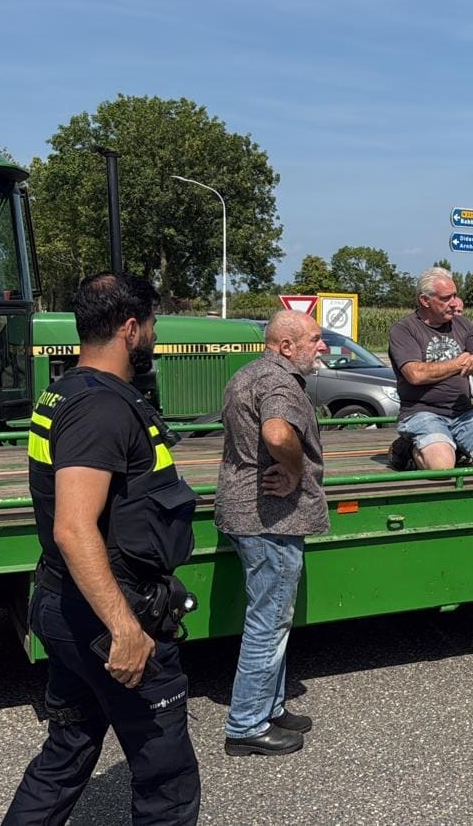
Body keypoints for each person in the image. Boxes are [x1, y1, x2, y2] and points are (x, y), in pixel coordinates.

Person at [5, 273, 201, 826]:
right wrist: (124, 628)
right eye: (153, 324)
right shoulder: (101, 408)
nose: (155, 336)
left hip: (67, 604)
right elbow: (73, 527)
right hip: (105, 613)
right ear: (130, 329)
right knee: (167, 778)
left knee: (67, 751)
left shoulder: (67, 390)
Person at [214, 310, 329, 757]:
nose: (321, 347)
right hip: (270, 519)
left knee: (272, 617)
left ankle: (271, 707)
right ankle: (246, 725)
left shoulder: (248, 374)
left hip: (245, 511)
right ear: (286, 346)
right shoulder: (280, 383)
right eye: (314, 339)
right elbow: (278, 434)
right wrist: (296, 469)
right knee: (269, 621)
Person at [387, 267, 473, 470]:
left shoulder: (464, 325)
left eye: (454, 295)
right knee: (442, 467)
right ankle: (406, 449)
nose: (454, 303)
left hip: (463, 411)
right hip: (422, 412)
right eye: (446, 298)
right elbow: (415, 374)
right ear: (425, 300)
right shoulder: (404, 329)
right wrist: (458, 363)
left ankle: (454, 445)